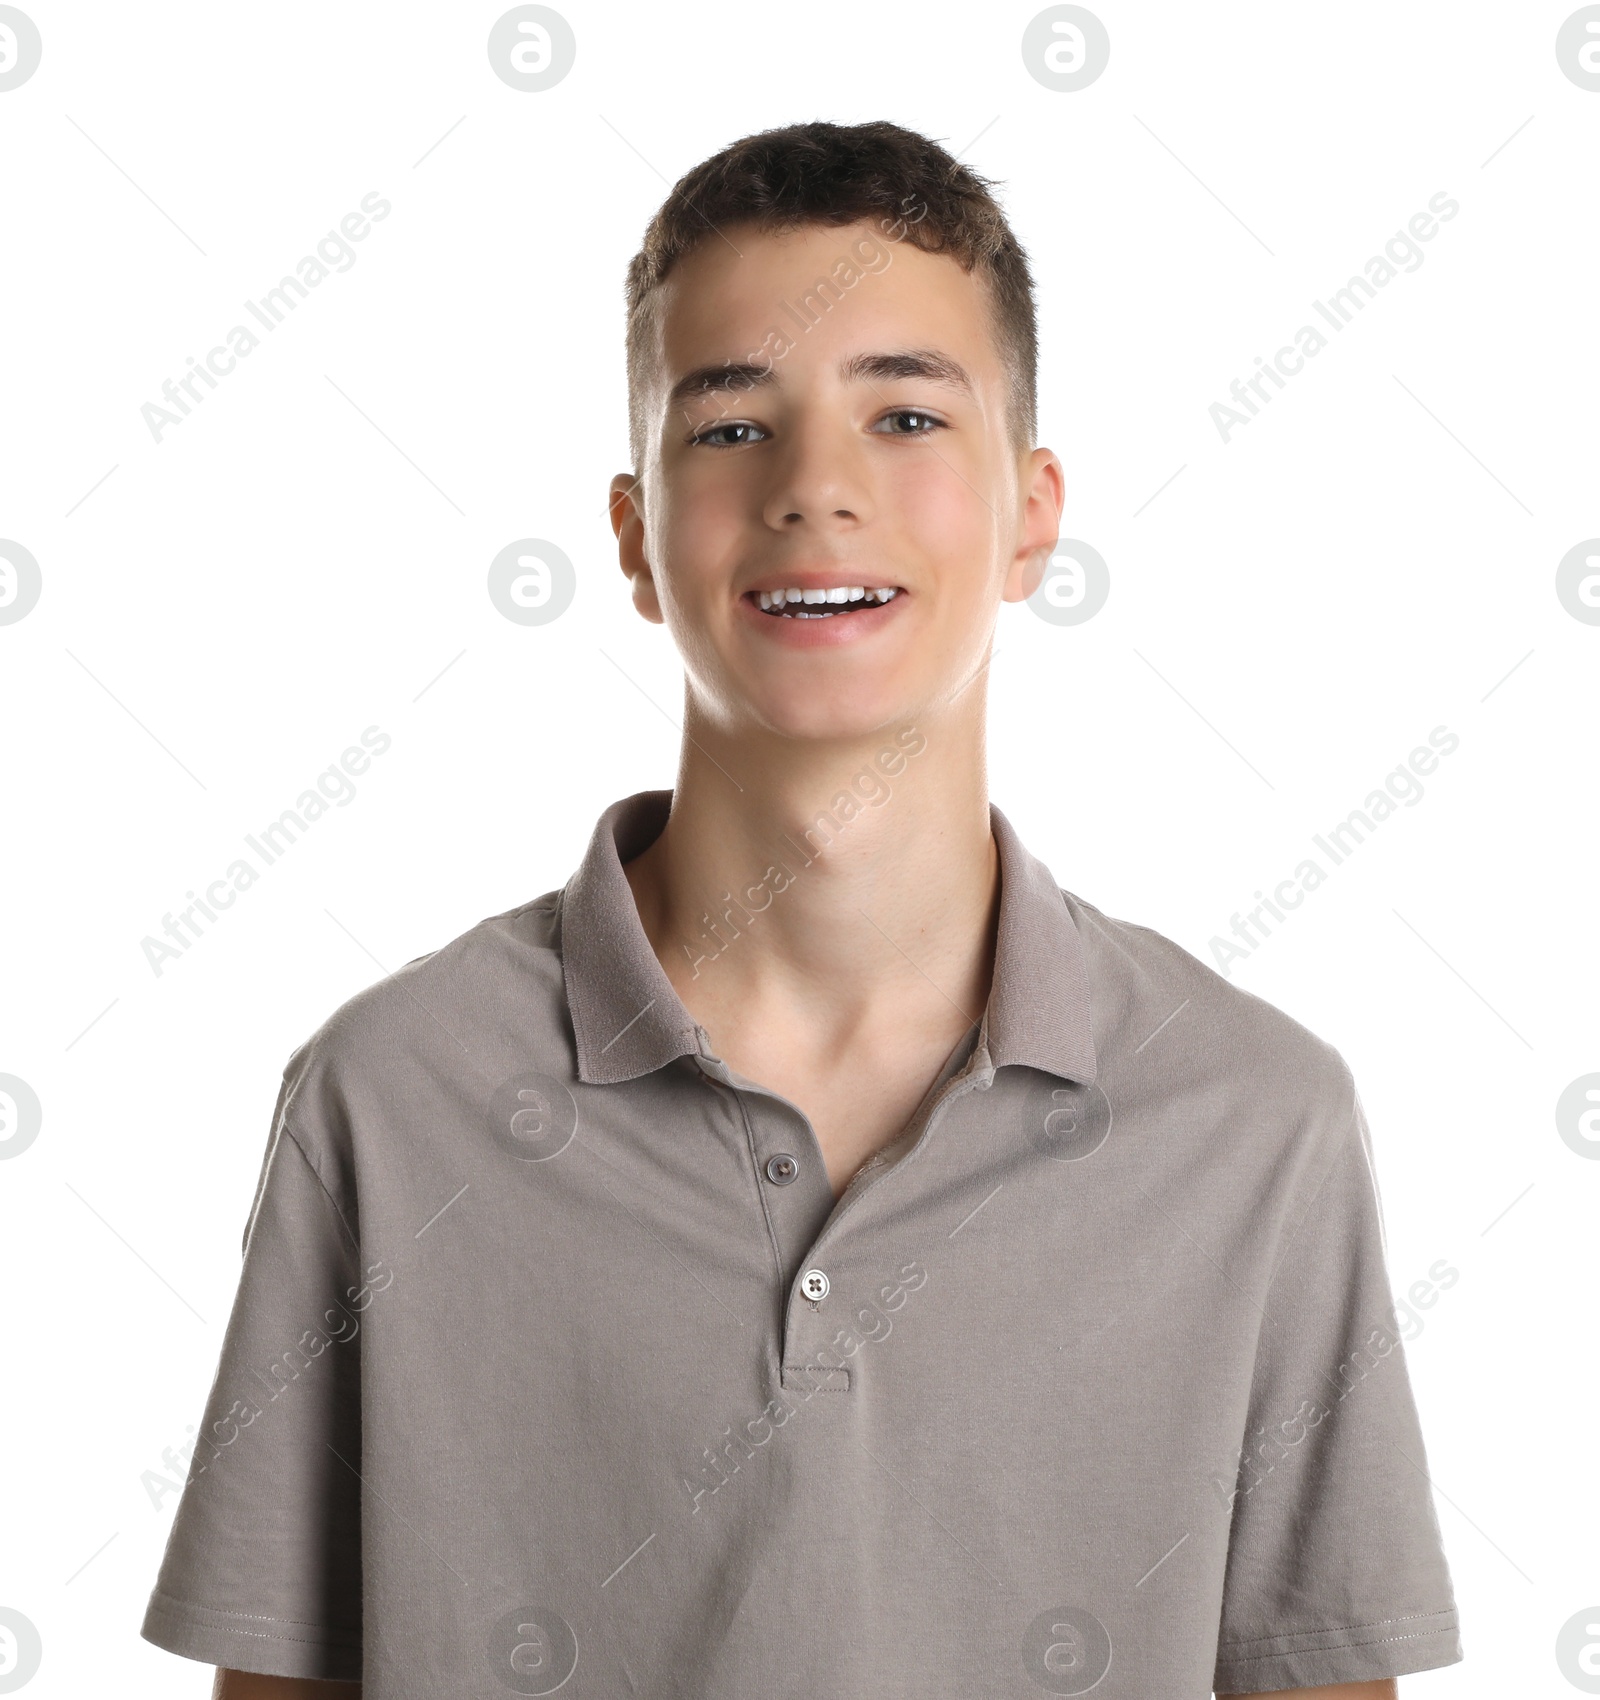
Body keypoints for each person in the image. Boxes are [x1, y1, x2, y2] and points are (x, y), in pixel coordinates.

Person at [142, 120, 1462, 1700]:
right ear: (634, 537)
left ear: (1033, 513)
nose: (817, 490)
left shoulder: (1258, 1125)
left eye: (904, 412)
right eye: (728, 428)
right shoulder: (389, 1096)